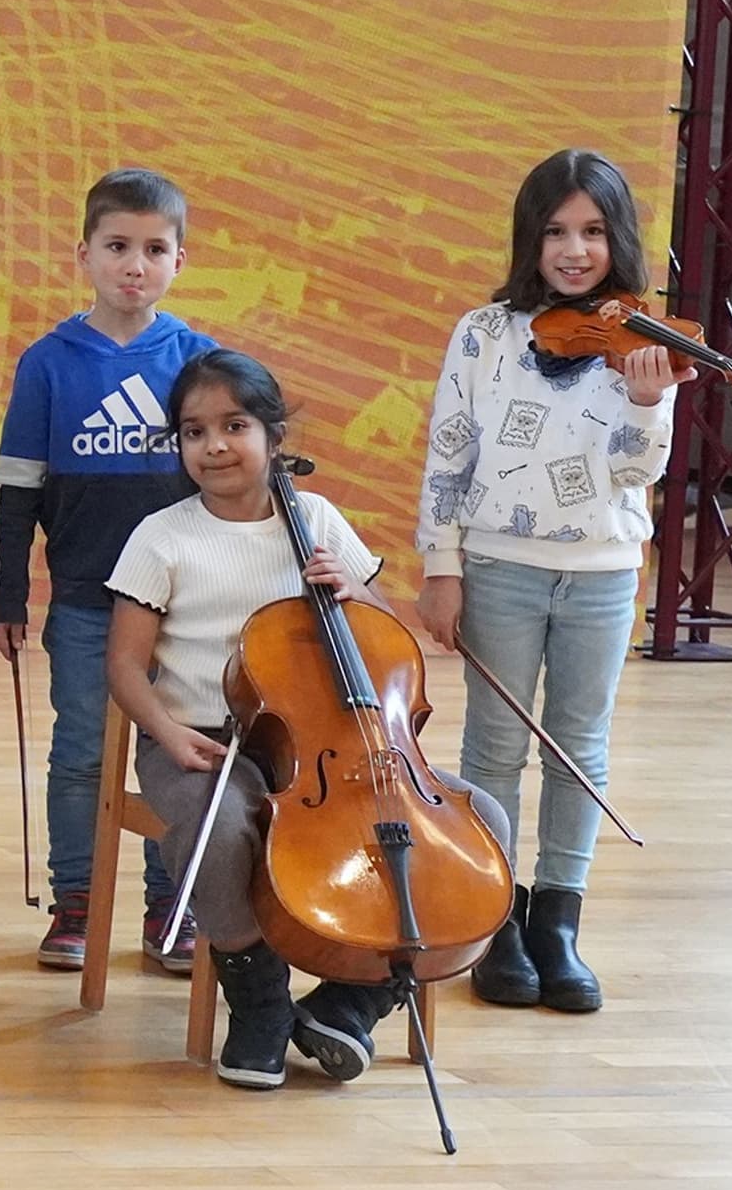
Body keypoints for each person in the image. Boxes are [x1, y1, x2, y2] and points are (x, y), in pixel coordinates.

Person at [109, 350, 520, 1089]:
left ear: (273, 434)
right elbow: (124, 666)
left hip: (331, 744)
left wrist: (354, 590)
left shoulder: (318, 517)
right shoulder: (160, 536)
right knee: (224, 830)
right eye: (194, 430)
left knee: (482, 817)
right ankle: (260, 1001)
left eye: (234, 425)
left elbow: (383, 636)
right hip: (204, 740)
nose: (214, 445)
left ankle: (353, 999)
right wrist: (167, 733)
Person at [416, 149, 675, 1016]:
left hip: (601, 568)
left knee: (579, 745)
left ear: (618, 239)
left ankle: (559, 920)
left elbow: (639, 474)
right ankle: (500, 917)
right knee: (494, 746)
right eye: (557, 231)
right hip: (498, 564)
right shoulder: (484, 334)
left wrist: (644, 404)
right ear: (530, 239)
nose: (574, 249)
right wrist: (441, 566)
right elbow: (449, 457)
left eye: (594, 231)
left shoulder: (646, 340)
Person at [0, 168, 214, 976]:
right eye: (118, 246)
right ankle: (75, 900)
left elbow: (231, 476)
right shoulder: (48, 363)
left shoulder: (199, 359)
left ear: (179, 261)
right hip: (84, 601)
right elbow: (15, 490)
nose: (134, 265)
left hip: (185, 608)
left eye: (155, 249)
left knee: (173, 746)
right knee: (82, 750)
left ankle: (171, 902)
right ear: (84, 253)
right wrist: (6, 590)